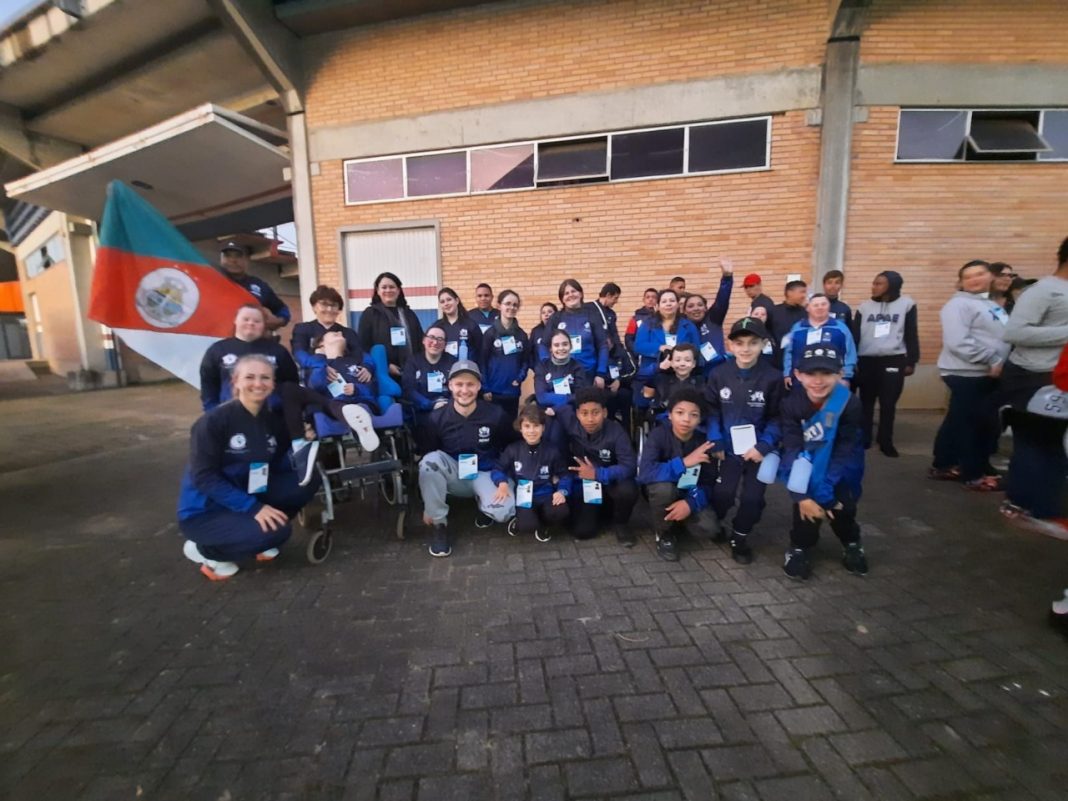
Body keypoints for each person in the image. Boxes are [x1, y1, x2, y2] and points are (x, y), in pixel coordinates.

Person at [177, 354, 319, 581]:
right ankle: (206, 551)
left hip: (250, 490)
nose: (258, 383)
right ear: (235, 381)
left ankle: (251, 534)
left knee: (306, 482)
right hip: (206, 511)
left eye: (265, 377)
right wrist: (252, 508)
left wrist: (303, 442)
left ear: (273, 383)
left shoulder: (271, 421)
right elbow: (203, 477)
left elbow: (278, 462)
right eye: (250, 377)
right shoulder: (213, 422)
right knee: (278, 532)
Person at [778, 345, 868, 580]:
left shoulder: (849, 403)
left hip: (840, 468)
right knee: (806, 511)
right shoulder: (791, 404)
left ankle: (852, 543)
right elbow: (792, 449)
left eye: (826, 373)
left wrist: (827, 490)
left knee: (842, 509)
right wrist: (801, 495)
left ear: (840, 374)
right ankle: (800, 547)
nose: (818, 381)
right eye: (810, 373)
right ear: (798, 375)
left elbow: (846, 450)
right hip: (807, 466)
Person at [1000, 237, 1068, 524]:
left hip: (1060, 378)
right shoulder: (1043, 291)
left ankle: (1045, 507)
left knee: (1053, 445)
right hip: (1033, 377)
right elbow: (1014, 332)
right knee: (1033, 443)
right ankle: (1021, 503)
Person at [703, 317, 783, 564]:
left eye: (752, 343)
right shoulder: (719, 374)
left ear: (763, 344)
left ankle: (740, 536)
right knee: (723, 494)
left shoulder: (773, 378)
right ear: (730, 346)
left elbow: (778, 417)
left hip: (758, 451)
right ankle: (716, 523)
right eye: (739, 343)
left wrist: (764, 445)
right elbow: (711, 410)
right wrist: (715, 438)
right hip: (727, 449)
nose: (746, 349)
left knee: (752, 499)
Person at [419, 360, 516, 557]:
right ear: (450, 385)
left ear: (479, 386)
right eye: (459, 384)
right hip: (454, 474)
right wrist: (428, 506)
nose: (464, 390)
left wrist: (504, 480)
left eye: (470, 384)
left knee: (503, 512)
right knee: (429, 463)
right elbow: (429, 454)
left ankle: (484, 504)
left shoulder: (496, 414)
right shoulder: (437, 417)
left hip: (486, 473)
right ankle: (439, 525)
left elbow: (511, 447)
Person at [930, 260, 1009, 489]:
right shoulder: (958, 305)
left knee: (959, 420)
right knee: (974, 425)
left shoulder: (989, 303)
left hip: (985, 373)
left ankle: (945, 464)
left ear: (990, 276)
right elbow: (958, 342)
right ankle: (973, 474)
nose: (975, 279)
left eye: (980, 274)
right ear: (961, 282)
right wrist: (992, 359)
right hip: (967, 373)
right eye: (968, 276)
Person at [637, 387, 720, 561]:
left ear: (700, 419)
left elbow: (709, 482)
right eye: (680, 412)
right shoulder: (658, 435)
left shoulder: (704, 442)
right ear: (670, 415)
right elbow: (645, 473)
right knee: (664, 490)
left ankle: (678, 518)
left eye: (693, 415)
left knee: (709, 528)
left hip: (688, 491)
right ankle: (664, 533)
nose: (686, 419)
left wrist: (691, 503)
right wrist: (683, 463)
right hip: (661, 488)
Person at [556, 387, 639, 546]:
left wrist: (598, 474)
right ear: (577, 413)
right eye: (584, 413)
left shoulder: (616, 432)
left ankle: (621, 524)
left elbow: (629, 466)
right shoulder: (570, 422)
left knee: (628, 489)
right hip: (585, 485)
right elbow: (556, 406)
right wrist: (549, 409)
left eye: (595, 413)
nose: (590, 419)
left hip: (610, 482)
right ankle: (597, 513)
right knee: (583, 532)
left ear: (605, 412)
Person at [853, 271, 919, 457]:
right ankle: (865, 438)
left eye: (879, 283)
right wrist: (853, 360)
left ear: (892, 285)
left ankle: (885, 441)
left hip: (893, 358)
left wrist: (912, 360)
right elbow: (856, 335)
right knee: (866, 402)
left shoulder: (907, 305)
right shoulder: (864, 307)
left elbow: (911, 333)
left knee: (888, 403)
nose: (874, 287)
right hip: (866, 359)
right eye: (874, 283)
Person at [491, 403, 571, 542]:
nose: (532, 431)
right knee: (527, 526)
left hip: (546, 495)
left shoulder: (552, 451)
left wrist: (562, 491)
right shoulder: (512, 449)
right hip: (524, 497)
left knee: (561, 511)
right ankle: (521, 519)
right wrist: (502, 483)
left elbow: (565, 474)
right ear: (520, 428)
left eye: (536, 426)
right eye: (527, 426)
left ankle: (545, 524)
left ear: (543, 428)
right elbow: (498, 468)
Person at [200, 304, 299, 412]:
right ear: (235, 320)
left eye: (257, 321)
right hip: (230, 413)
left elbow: (291, 383)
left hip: (272, 414)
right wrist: (212, 413)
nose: (251, 323)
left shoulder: (278, 351)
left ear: (264, 325)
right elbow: (208, 385)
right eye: (246, 319)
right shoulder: (218, 349)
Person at [306, 331, 382, 453]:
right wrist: (320, 359)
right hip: (336, 405)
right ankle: (362, 428)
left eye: (341, 333)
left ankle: (362, 425)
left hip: (361, 400)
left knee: (363, 406)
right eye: (333, 333)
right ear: (321, 343)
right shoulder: (318, 365)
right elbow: (316, 385)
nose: (340, 332)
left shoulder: (355, 362)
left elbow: (371, 388)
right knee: (335, 405)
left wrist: (356, 389)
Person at [632, 289, 701, 403]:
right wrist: (659, 347)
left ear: (678, 304)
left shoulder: (688, 325)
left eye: (672, 301)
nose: (668, 304)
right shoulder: (648, 324)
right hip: (654, 373)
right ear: (658, 306)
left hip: (681, 374)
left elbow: (696, 349)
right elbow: (638, 346)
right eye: (664, 301)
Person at [541, 279, 609, 388]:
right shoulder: (556, 318)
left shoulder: (592, 315)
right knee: (565, 400)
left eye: (573, 291)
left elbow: (602, 345)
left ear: (581, 294)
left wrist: (601, 373)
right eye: (566, 293)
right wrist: (548, 365)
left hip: (589, 374)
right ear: (562, 299)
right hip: (563, 374)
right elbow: (544, 344)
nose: (570, 295)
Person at [357, 271, 424, 382]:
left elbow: (420, 341)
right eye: (384, 287)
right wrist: (386, 365)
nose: (388, 290)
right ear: (378, 291)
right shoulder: (370, 314)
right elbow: (364, 346)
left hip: (411, 371)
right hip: (383, 373)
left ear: (398, 290)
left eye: (392, 287)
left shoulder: (409, 314)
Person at [782, 294, 857, 388]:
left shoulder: (841, 328)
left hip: (833, 381)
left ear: (829, 307)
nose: (820, 307)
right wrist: (787, 374)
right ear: (808, 308)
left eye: (823, 304)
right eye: (816, 305)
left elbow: (850, 354)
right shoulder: (797, 328)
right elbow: (788, 353)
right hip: (801, 381)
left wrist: (846, 377)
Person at [402, 326, 456, 454]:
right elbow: (409, 389)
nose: (435, 342)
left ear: (445, 344)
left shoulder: (452, 362)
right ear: (423, 340)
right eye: (431, 337)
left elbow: (458, 387)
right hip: (422, 410)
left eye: (440, 339)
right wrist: (430, 404)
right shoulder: (413, 361)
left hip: (448, 408)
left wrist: (449, 404)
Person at [216, 240, 290, 331]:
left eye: (238, 256)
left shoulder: (259, 285)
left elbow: (281, 308)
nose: (233, 260)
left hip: (250, 337)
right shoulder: (211, 281)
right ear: (221, 259)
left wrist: (279, 320)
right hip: (215, 337)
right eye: (228, 256)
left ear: (247, 259)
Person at [480, 289, 530, 420]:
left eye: (515, 305)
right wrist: (485, 388)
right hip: (493, 391)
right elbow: (482, 362)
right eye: (508, 303)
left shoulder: (522, 335)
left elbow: (525, 361)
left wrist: (519, 378)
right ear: (499, 305)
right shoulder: (490, 334)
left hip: (512, 391)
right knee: (494, 426)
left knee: (511, 425)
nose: (511, 307)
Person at [683, 257, 734, 375]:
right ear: (684, 311)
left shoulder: (713, 319)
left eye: (700, 305)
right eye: (690, 306)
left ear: (706, 308)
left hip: (718, 372)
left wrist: (727, 278)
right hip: (693, 375)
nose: (696, 308)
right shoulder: (681, 326)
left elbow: (722, 299)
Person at [535, 330, 589, 413]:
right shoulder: (542, 366)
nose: (561, 348)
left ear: (570, 346)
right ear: (551, 348)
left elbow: (579, 396)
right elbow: (542, 397)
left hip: (570, 413)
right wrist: (569, 398)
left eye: (565, 344)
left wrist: (556, 408)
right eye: (556, 345)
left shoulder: (577, 367)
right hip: (546, 412)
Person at [643, 343, 704, 416]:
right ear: (671, 362)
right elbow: (639, 377)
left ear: (694, 363)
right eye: (678, 360)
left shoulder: (701, 382)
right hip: (664, 419)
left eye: (687, 360)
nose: (682, 364)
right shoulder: (660, 379)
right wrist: (658, 367)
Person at [435, 287, 483, 363]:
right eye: (442, 302)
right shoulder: (437, 326)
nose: (446, 304)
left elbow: (481, 351)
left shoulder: (470, 324)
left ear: (457, 301)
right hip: (445, 369)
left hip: (467, 369)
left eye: (449, 300)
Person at [768, 280, 808, 361]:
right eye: (802, 292)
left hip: (800, 357)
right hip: (777, 358)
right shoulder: (774, 311)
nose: (804, 296)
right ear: (790, 293)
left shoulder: (806, 313)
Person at [624, 287, 659, 356]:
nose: (650, 299)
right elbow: (628, 339)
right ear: (644, 300)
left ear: (658, 300)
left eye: (653, 297)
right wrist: (636, 351)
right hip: (640, 356)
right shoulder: (635, 318)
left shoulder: (663, 317)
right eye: (647, 297)